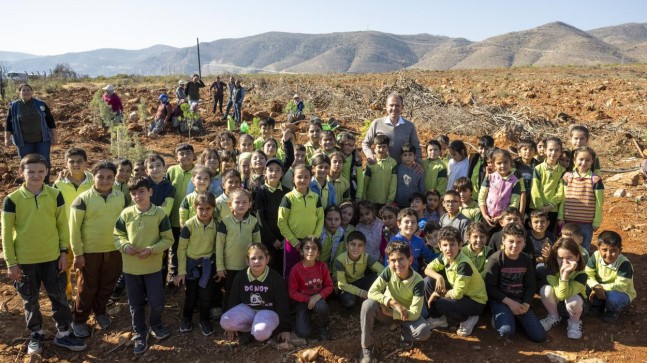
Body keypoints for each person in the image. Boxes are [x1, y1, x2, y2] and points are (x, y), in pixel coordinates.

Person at [1, 154, 87, 355]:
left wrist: (63, 252)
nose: (36, 175)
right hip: (24, 261)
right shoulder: (11, 200)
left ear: (47, 172)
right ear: (22, 173)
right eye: (31, 172)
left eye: (41, 171)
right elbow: (5, 234)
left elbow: (62, 226)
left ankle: (64, 333)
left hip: (52, 258)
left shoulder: (54, 194)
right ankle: (37, 334)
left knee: (58, 297)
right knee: (30, 300)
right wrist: (11, 263)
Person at [114, 177, 174, 354]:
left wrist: (152, 249)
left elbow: (168, 239)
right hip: (131, 269)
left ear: (150, 192)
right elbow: (117, 235)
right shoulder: (126, 214)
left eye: (141, 191)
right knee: (135, 303)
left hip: (153, 268)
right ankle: (139, 331)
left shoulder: (160, 214)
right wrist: (124, 245)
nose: (137, 196)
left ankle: (156, 324)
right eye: (133, 193)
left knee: (156, 301)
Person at [69, 161, 127, 339]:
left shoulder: (120, 197)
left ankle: (100, 312)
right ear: (93, 177)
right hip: (90, 253)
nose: (104, 181)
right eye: (100, 177)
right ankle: (79, 320)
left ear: (114, 178)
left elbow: (124, 223)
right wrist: (78, 253)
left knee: (107, 284)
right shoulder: (82, 199)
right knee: (87, 287)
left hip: (114, 250)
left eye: (109, 177)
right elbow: (74, 228)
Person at [359, 241, 431, 363]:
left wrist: (391, 313)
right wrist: (392, 303)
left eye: (401, 259)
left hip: (405, 315)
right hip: (388, 309)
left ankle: (406, 333)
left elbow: (414, 314)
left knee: (423, 331)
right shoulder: (388, 271)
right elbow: (372, 292)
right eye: (393, 260)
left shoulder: (418, 281)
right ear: (388, 262)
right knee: (368, 304)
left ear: (410, 260)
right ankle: (366, 347)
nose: (397, 264)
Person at [485, 223, 546, 343]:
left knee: (539, 336)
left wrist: (526, 303)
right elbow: (489, 287)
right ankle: (501, 316)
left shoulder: (526, 259)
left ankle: (515, 317)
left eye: (519, 242)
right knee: (506, 331)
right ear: (503, 240)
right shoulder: (496, 259)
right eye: (511, 241)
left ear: (524, 243)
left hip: (520, 300)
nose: (514, 245)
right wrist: (510, 303)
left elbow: (531, 285)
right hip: (502, 300)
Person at [220, 243, 291, 345]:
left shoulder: (276, 279)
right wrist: (232, 326)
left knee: (260, 334)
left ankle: (253, 333)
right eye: (253, 258)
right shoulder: (240, 277)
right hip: (248, 310)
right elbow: (233, 300)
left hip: (268, 311)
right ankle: (252, 328)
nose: (257, 261)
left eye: (260, 258)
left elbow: (282, 304)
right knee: (225, 322)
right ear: (247, 261)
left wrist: (284, 328)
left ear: (267, 259)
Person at [424, 226, 487, 337]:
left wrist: (437, 293)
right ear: (439, 246)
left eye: (452, 244)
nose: (449, 249)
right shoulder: (444, 257)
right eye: (445, 245)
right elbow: (427, 269)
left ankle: (469, 317)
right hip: (462, 294)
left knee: (441, 302)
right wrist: (439, 277)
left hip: (475, 301)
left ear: (460, 244)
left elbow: (457, 294)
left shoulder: (463, 264)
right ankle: (438, 318)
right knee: (428, 281)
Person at [174, 192, 218, 336]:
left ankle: (204, 320)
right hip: (191, 266)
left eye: (208, 209)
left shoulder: (217, 225)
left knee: (206, 296)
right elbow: (181, 249)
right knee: (191, 295)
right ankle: (186, 318)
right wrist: (181, 271)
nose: (204, 212)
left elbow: (219, 247)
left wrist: (219, 266)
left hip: (208, 265)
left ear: (213, 209)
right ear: (195, 208)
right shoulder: (189, 225)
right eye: (201, 209)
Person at [54, 147, 93, 301]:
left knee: (84, 268)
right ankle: (67, 296)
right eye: (72, 162)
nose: (76, 165)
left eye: (79, 161)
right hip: (66, 232)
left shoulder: (93, 181)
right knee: (65, 266)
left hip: (87, 233)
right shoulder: (58, 184)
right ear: (66, 164)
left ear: (86, 163)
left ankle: (82, 297)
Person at [277, 164, 324, 279]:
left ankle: (306, 294)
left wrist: (314, 239)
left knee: (308, 269)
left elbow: (320, 218)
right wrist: (295, 242)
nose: (302, 180)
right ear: (293, 179)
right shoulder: (288, 198)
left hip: (310, 243)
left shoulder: (316, 197)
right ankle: (289, 295)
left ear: (310, 178)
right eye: (299, 177)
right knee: (290, 270)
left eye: (306, 177)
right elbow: (281, 222)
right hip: (293, 243)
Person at [5, 84, 58, 183]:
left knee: (44, 161)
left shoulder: (40, 104)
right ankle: (28, 184)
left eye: (28, 90)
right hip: (23, 141)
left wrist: (55, 135)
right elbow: (9, 123)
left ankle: (45, 184)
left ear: (32, 92)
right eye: (23, 90)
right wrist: (7, 138)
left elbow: (50, 120)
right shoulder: (14, 106)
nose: (26, 92)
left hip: (42, 139)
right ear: (19, 92)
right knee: (26, 163)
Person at [539, 237, 588, 339]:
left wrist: (564, 275)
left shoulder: (581, 275)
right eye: (560, 258)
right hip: (557, 306)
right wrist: (563, 275)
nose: (564, 262)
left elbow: (563, 295)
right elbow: (560, 297)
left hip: (575, 309)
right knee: (545, 290)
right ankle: (554, 317)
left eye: (569, 257)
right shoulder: (552, 270)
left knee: (573, 301)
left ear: (577, 257)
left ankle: (574, 322)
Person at [558, 147, 604, 252]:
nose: (583, 163)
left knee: (583, 249)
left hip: (586, 223)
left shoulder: (595, 180)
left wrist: (596, 222)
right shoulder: (567, 177)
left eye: (587, 160)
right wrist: (560, 216)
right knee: (567, 247)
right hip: (568, 221)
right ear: (574, 160)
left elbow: (599, 202)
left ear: (592, 162)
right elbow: (563, 198)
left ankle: (583, 268)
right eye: (581, 159)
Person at [288, 237, 334, 342]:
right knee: (303, 333)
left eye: (314, 248)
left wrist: (317, 296)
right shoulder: (296, 270)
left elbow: (329, 286)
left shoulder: (322, 266)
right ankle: (302, 318)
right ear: (301, 251)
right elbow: (292, 292)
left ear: (318, 253)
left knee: (322, 306)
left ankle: (323, 327)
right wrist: (308, 299)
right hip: (302, 301)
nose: (310, 251)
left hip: (318, 299)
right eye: (307, 248)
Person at [585, 230, 636, 323]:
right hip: (599, 287)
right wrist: (595, 286)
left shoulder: (624, 264)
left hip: (620, 291)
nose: (608, 254)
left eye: (613, 250)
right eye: (604, 250)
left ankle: (611, 311)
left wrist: (600, 287)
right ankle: (597, 305)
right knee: (583, 284)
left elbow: (621, 286)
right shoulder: (596, 256)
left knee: (614, 298)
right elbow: (588, 274)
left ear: (620, 250)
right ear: (598, 248)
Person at [361, 92, 422, 164]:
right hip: (381, 168)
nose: (394, 108)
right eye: (391, 105)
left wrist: (418, 163)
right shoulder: (377, 123)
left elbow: (416, 147)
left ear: (402, 107)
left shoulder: (409, 126)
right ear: (386, 107)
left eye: (397, 105)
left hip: (402, 169)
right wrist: (370, 156)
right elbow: (366, 143)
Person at [166, 143, 196, 283]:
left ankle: (189, 273)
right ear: (177, 157)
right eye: (181, 154)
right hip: (174, 218)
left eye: (188, 153)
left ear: (193, 156)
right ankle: (173, 273)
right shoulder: (171, 171)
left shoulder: (198, 172)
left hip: (193, 218)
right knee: (175, 247)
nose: (185, 156)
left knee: (190, 246)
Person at [335, 231, 385, 312]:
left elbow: (383, 270)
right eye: (353, 244)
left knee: (378, 277)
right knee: (349, 300)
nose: (356, 248)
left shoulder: (365, 257)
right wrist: (361, 292)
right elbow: (342, 285)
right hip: (347, 286)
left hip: (361, 282)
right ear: (347, 246)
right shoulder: (340, 259)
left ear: (364, 247)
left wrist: (380, 284)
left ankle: (374, 299)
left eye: (360, 245)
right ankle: (348, 308)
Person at [255, 158, 289, 273]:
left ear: (282, 173)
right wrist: (273, 240)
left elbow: (290, 217)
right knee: (269, 269)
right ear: (265, 172)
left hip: (284, 238)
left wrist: (286, 238)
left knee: (282, 269)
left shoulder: (287, 192)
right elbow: (260, 218)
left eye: (277, 170)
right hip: (268, 240)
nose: (274, 173)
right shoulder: (260, 192)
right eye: (270, 170)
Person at [479, 149, 525, 227]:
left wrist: (500, 218)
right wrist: (485, 215)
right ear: (494, 165)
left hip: (505, 220)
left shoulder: (515, 182)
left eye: (505, 162)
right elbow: (481, 198)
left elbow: (514, 204)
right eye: (499, 163)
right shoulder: (489, 178)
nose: (502, 166)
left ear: (511, 163)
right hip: (487, 218)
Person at [531, 137, 565, 235]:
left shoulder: (562, 171)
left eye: (556, 150)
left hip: (552, 209)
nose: (553, 153)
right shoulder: (538, 169)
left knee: (549, 234)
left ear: (560, 152)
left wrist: (550, 206)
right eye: (550, 150)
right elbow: (535, 190)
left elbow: (561, 192)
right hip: (536, 208)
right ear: (545, 151)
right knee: (536, 233)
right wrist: (540, 207)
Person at [389, 208, 435, 273]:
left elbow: (430, 257)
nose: (410, 225)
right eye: (406, 222)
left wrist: (443, 256)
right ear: (399, 224)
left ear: (417, 224)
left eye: (413, 222)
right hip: (398, 277)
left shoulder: (419, 241)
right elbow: (388, 266)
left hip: (415, 277)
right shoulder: (393, 243)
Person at [357, 134, 397, 208]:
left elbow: (393, 184)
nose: (381, 150)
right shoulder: (371, 163)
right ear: (374, 147)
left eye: (384, 147)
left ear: (388, 147)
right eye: (379, 147)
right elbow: (365, 182)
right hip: (370, 201)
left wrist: (390, 200)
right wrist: (364, 198)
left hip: (385, 202)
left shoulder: (393, 163)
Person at [394, 143, 425, 209]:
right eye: (405, 155)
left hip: (413, 204)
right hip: (398, 203)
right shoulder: (397, 169)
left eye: (410, 155)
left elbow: (421, 189)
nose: (407, 157)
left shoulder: (418, 171)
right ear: (401, 157)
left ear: (415, 156)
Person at [468, 135, 495, 201]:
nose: (483, 151)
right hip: (471, 198)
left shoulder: (491, 162)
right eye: (481, 148)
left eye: (486, 149)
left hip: (484, 198)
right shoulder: (474, 158)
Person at [319, 205, 345, 271]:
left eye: (336, 219)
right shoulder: (320, 231)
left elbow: (338, 255)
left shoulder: (341, 232)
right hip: (316, 265)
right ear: (324, 219)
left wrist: (334, 273)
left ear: (341, 220)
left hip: (329, 267)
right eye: (329, 219)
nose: (333, 223)